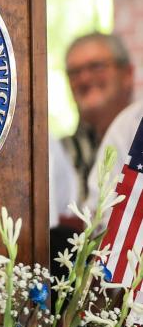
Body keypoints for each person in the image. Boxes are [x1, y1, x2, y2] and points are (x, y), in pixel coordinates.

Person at [51, 33, 135, 227]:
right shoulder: (58, 154)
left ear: (128, 74)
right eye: (74, 72)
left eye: (96, 66)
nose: (85, 78)